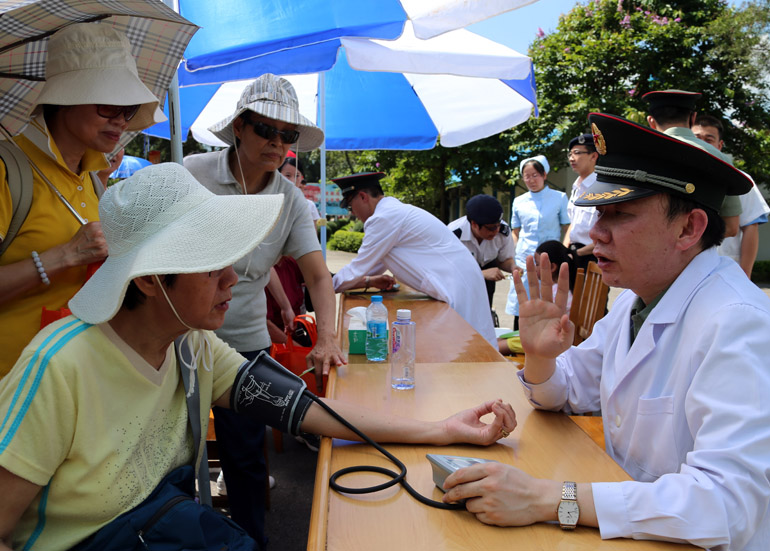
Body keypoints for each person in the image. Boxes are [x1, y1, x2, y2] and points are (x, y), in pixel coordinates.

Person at [0, 163, 517, 551]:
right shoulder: (59, 367)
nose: (234, 279)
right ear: (148, 282)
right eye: (210, 266)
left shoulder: (189, 344)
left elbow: (302, 410)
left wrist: (440, 428)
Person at [440, 113, 770, 550]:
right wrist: (539, 356)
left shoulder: (739, 325)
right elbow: (568, 390)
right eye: (596, 213)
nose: (595, 233)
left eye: (619, 214)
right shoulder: (640, 298)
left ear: (689, 228)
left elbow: (724, 507)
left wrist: (549, 498)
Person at [183, 73, 345, 548]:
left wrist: (329, 338)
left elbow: (318, 275)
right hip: (180, 337)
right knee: (172, 452)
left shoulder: (289, 197)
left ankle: (251, 541)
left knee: (247, 458)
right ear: (239, 127)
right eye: (266, 130)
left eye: (287, 135)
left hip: (247, 342)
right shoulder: (191, 173)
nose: (278, 143)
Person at [0, 23, 165, 378]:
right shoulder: (6, 170)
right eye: (109, 104)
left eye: (129, 108)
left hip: (80, 383)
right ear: (65, 97)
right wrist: (64, 256)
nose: (121, 120)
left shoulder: (93, 180)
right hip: (11, 391)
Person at [331, 172, 497, 348]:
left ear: (363, 197)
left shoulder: (383, 218)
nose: (354, 214)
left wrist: (322, 286)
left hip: (457, 284)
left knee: (469, 351)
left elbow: (358, 268)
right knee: (470, 345)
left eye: (350, 207)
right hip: (459, 279)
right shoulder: (392, 213)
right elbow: (371, 267)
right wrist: (367, 281)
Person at [642, 89, 741, 238]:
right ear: (693, 118)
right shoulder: (721, 159)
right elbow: (732, 227)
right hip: (697, 254)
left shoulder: (638, 153)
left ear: (651, 121)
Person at [692, 114, 770, 278]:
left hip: (725, 269)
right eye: (697, 138)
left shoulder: (740, 179)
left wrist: (745, 274)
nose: (702, 144)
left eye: (709, 139)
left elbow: (750, 226)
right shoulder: (676, 174)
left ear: (719, 145)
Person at [505, 155, 570, 330]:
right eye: (527, 176)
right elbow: (515, 231)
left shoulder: (559, 198)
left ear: (544, 175)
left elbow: (567, 227)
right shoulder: (519, 202)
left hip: (550, 260)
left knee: (549, 300)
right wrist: (513, 255)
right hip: (524, 258)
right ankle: (518, 338)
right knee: (522, 302)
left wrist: (564, 252)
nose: (531, 180)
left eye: (535, 175)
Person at [497, 240, 576, 356]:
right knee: (498, 342)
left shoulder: (556, 294)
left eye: (537, 264)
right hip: (541, 336)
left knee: (495, 346)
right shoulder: (562, 289)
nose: (534, 267)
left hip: (546, 338)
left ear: (552, 267)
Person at [447, 194, 515, 309]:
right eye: (491, 228)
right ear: (474, 224)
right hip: (459, 283)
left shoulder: (503, 232)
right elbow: (447, 271)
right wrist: (481, 274)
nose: (496, 231)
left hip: (487, 281)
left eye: (498, 226)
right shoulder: (453, 234)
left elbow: (504, 260)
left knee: (485, 313)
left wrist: (513, 267)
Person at [562, 133, 600, 271]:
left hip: (593, 255)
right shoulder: (576, 187)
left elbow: (607, 231)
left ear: (593, 156)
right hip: (574, 254)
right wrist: (565, 250)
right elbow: (574, 223)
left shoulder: (600, 188)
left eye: (577, 153)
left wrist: (579, 253)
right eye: (570, 154)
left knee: (591, 293)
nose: (572, 158)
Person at [279, 156, 321, 226]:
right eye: (288, 175)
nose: (293, 180)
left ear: (302, 177)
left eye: (297, 176)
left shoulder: (306, 205)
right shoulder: (271, 200)